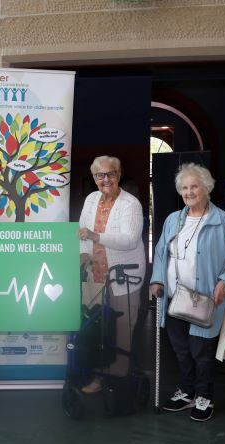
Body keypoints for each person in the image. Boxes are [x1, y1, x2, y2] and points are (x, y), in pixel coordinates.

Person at [149, 163, 225, 422]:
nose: (189, 192)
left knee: (201, 351)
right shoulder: (173, 220)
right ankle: (186, 391)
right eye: (184, 187)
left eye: (194, 186)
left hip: (205, 299)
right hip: (176, 298)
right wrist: (157, 280)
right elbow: (160, 253)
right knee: (180, 349)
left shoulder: (222, 221)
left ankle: (204, 395)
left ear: (207, 188)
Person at [78, 155, 146, 393]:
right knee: (97, 328)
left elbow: (129, 240)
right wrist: (84, 254)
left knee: (122, 328)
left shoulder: (130, 204)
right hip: (95, 273)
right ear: (94, 178)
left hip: (124, 276)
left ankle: (119, 379)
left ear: (119, 175)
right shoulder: (91, 199)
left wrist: (97, 237)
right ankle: (98, 376)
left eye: (111, 174)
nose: (105, 179)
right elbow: (82, 232)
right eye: (100, 175)